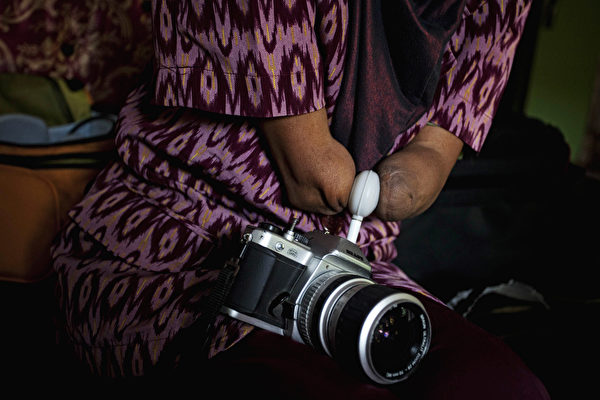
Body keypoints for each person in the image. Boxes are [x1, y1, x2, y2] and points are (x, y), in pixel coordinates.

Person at [51, 0, 550, 398]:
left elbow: (426, 166)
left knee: (505, 386)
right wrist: (377, 190)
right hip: (180, 245)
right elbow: (315, 176)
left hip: (350, 267)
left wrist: (400, 185)